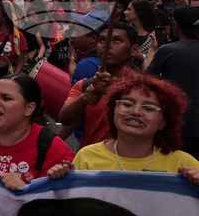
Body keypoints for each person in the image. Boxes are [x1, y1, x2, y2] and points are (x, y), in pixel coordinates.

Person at [48, 73, 199, 182]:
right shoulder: (87, 156)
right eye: (127, 104)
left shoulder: (183, 164)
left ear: (164, 122)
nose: (135, 112)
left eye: (149, 108)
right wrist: (62, 183)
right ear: (113, 111)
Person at [0, 75, 74, 190]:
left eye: (6, 98)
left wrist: (27, 190)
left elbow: (67, 200)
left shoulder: (51, 146)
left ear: (29, 108)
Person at [58, 22, 139, 149]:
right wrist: (84, 99)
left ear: (134, 50)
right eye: (102, 40)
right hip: (91, 163)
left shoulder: (145, 87)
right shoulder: (86, 84)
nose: (107, 45)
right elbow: (65, 118)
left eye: (117, 40)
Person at [148, 5, 199, 157]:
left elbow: (148, 81)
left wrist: (152, 51)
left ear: (175, 25)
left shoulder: (167, 51)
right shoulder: (170, 50)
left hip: (179, 127)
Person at [68, 10, 109, 84]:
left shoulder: (87, 64)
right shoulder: (109, 58)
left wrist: (72, 56)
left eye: (77, 32)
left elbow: (77, 90)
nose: (73, 35)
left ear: (93, 39)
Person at [124, 0, 161, 70]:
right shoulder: (125, 31)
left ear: (139, 12)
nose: (125, 12)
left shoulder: (154, 34)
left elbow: (155, 57)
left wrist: (135, 53)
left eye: (129, 10)